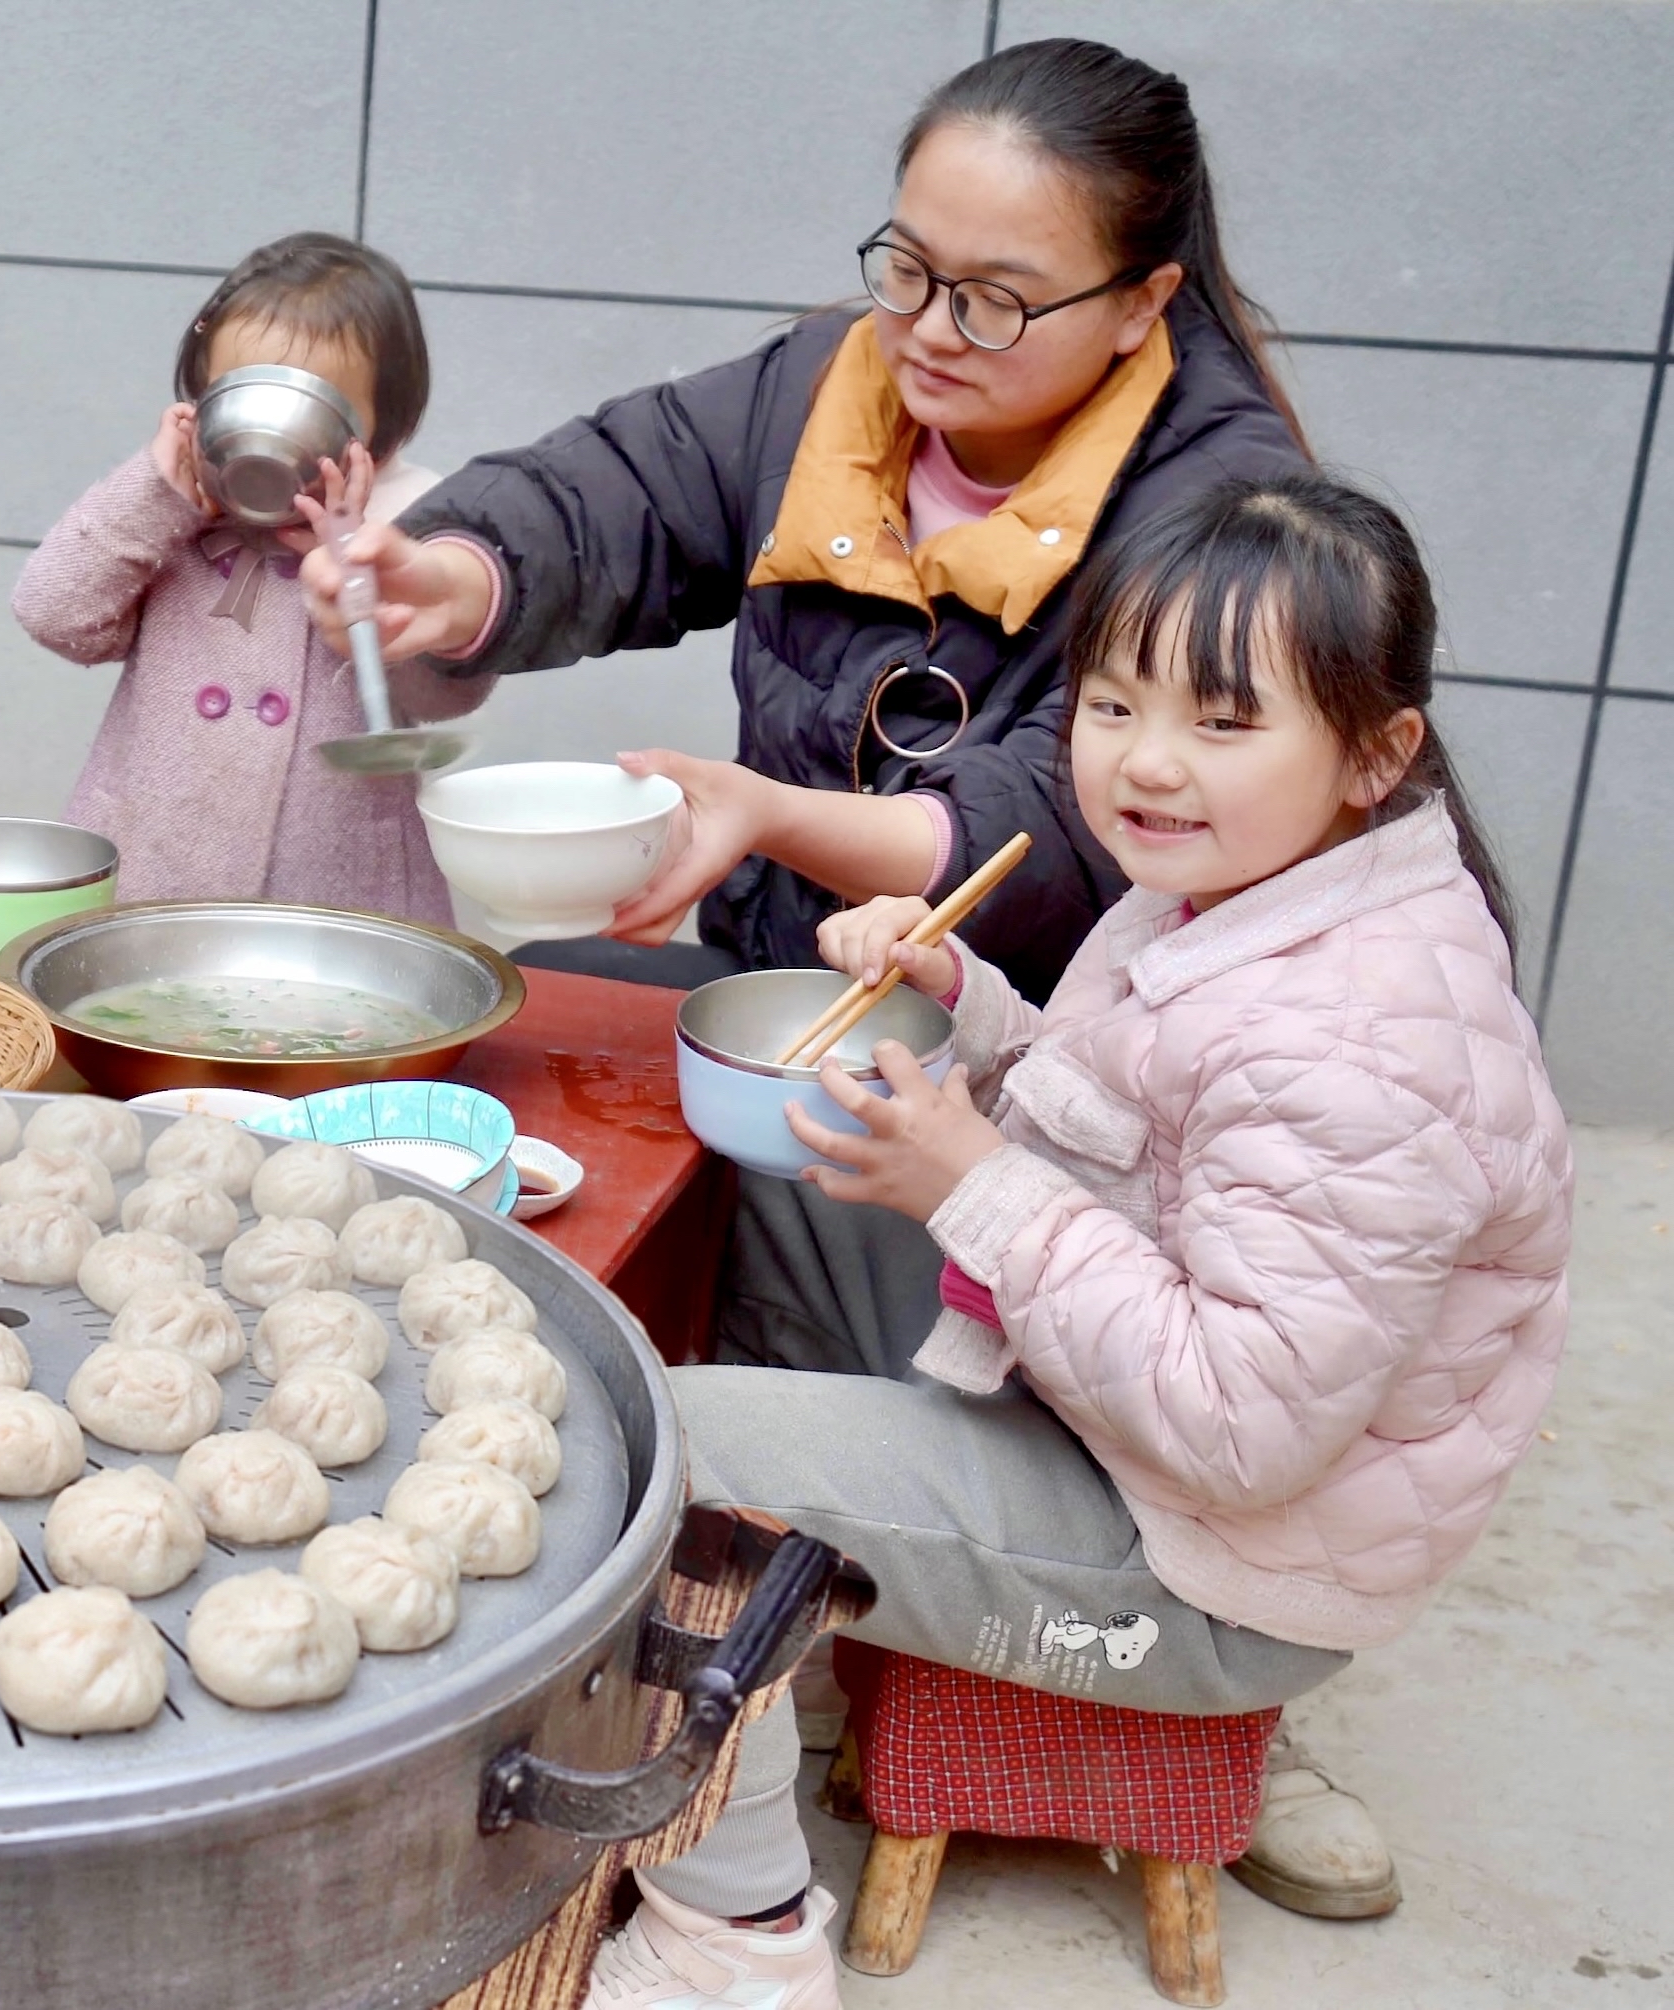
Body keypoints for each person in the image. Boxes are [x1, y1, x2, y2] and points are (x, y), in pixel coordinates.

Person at [582, 474, 1571, 2008]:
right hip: (1125, 1436)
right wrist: (969, 1005)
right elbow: (1146, 1134)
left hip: (1203, 1566)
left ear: (1376, 753)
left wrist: (969, 1179)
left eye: (1224, 722)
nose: (1146, 763)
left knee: (673, 1465)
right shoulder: (1244, 888)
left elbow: (1239, 1427)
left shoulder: (1361, 1049)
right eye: (1112, 704)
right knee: (794, 1158)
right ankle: (779, 1636)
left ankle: (737, 1934)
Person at [303, 38, 1302, 1004]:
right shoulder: (827, 380)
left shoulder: (1227, 509)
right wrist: (456, 575)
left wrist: (772, 817)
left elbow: (1076, 821)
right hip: (784, 989)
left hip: (1044, 1058)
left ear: (1142, 304)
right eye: (906, 268)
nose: (926, 332)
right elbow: (629, 487)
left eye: (994, 301)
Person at [12, 233, 473, 921]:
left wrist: (358, 573)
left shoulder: (406, 525)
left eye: (308, 412)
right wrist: (151, 494)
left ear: (386, 429)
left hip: (335, 895)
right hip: (152, 873)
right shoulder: (166, 515)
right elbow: (53, 613)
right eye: (244, 396)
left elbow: (440, 698)